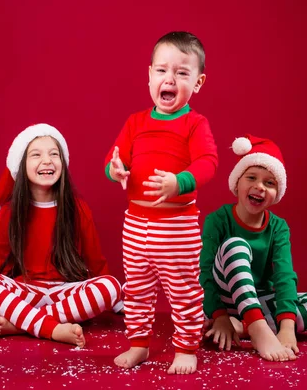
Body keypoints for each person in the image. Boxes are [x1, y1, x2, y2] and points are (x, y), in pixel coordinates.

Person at [105, 31, 218, 374]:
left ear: (197, 83)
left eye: (182, 73)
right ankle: (138, 343)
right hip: (135, 225)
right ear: (149, 75)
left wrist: (179, 182)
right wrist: (116, 170)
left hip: (176, 225)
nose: (169, 79)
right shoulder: (135, 122)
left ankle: (186, 347)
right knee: (136, 289)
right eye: (162, 71)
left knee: (183, 289)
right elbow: (115, 159)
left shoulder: (194, 123)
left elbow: (208, 162)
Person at [0, 123, 122, 348]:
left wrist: (115, 300)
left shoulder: (79, 209)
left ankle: (21, 324)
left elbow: (95, 262)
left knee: (111, 286)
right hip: (26, 291)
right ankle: (52, 328)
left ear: (63, 163)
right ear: (21, 166)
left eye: (54, 154)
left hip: (65, 293)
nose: (47, 160)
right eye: (36, 155)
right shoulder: (10, 211)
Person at [200, 135, 307, 361]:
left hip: (259, 299)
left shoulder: (278, 227)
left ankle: (243, 327)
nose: (259, 187)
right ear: (237, 183)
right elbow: (203, 271)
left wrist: (287, 328)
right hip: (221, 299)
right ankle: (256, 328)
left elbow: (284, 275)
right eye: (251, 177)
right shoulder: (218, 219)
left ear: (277, 193)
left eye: (269, 183)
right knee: (235, 246)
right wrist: (220, 315)